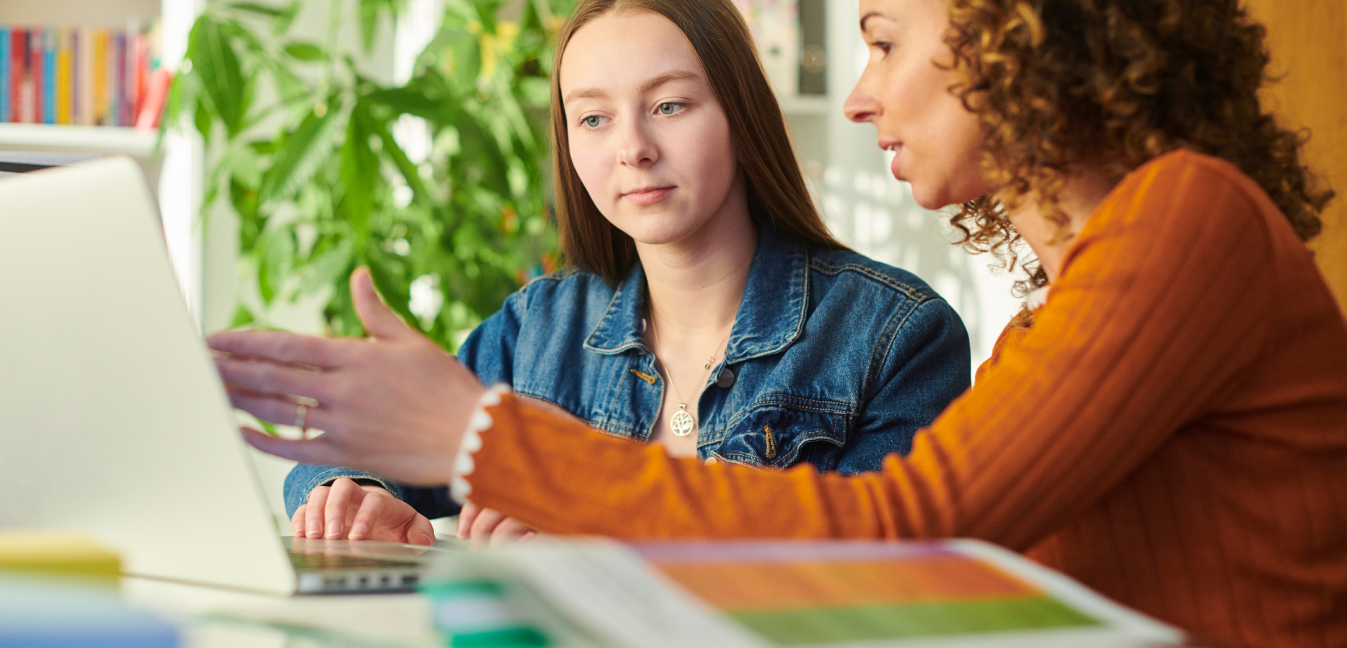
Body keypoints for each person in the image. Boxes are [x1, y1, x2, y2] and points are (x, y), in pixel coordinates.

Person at [209, 0, 1347, 644]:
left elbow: (906, 534)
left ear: (1023, 30)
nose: (857, 95)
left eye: (885, 40)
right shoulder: (1085, 286)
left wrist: (483, 441)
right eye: (591, 118)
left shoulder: (1184, 220)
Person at [272, 0, 970, 547]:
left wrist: (597, 535)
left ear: (740, 114)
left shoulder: (895, 335)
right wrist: (350, 490)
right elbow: (366, 450)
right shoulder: (537, 331)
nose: (632, 148)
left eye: (669, 106)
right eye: (594, 118)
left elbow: (878, 578)